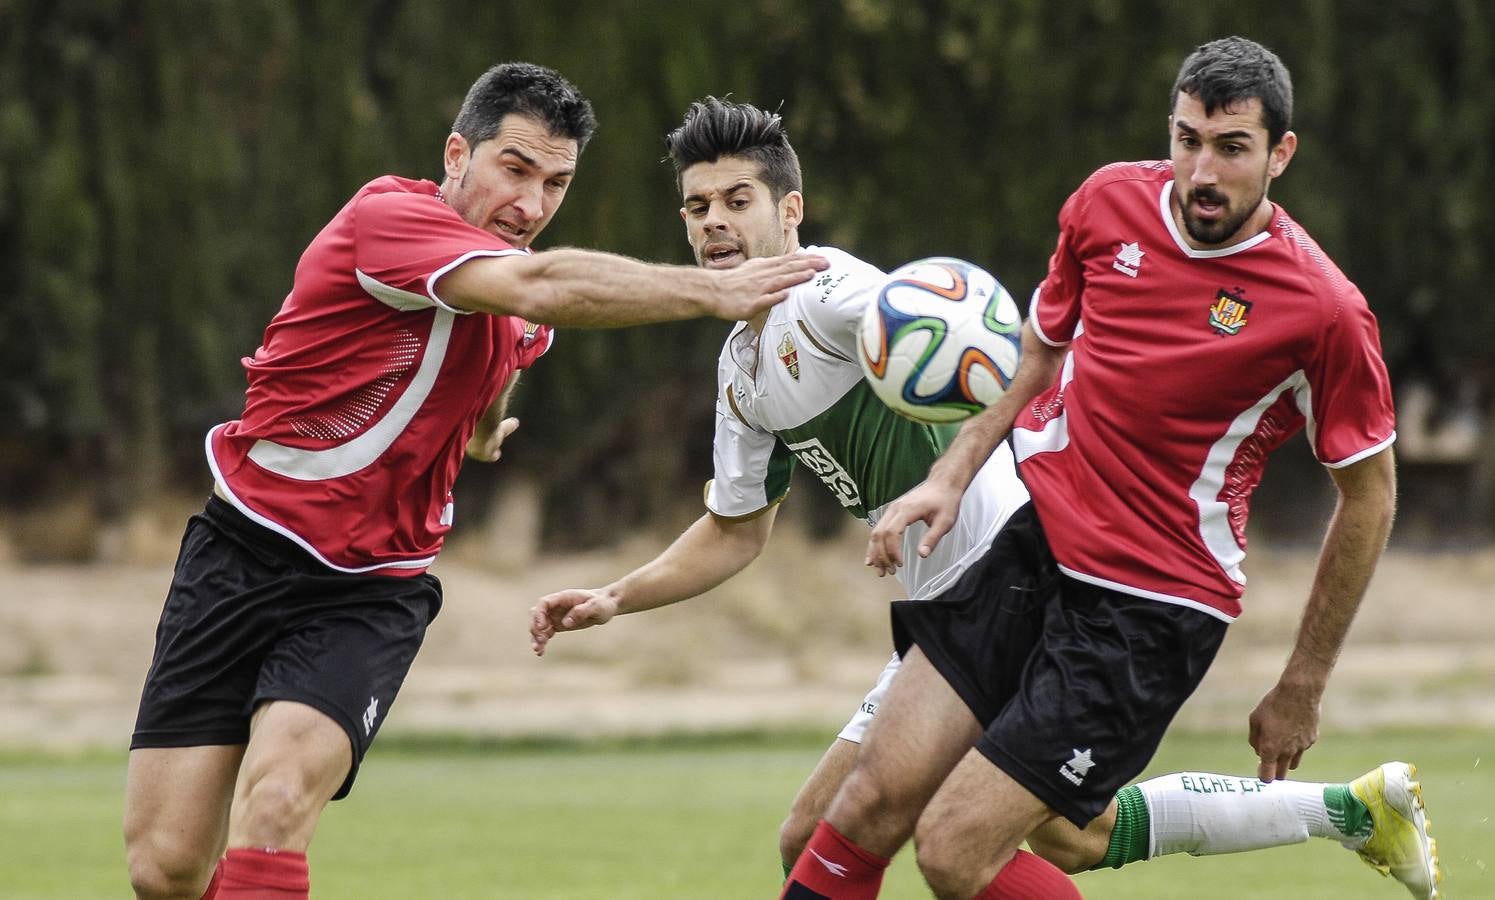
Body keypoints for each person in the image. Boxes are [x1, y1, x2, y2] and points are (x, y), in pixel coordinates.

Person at [527, 97, 1439, 899]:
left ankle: (1344, 815)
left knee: (910, 840)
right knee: (1051, 836)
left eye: (738, 201)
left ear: (789, 211)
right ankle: (1346, 814)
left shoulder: (835, 292)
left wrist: (959, 429)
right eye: (697, 207)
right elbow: (734, 531)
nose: (715, 224)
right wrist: (618, 595)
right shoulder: (741, 369)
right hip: (946, 594)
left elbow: (930, 314)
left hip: (1016, 561)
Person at [121, 63, 827, 900]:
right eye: (515, 170)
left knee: (275, 802)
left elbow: (508, 348)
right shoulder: (390, 219)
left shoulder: (511, 294)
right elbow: (537, 288)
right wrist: (715, 292)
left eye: (556, 183)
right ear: (458, 153)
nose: (531, 205)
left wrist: (484, 430)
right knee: (166, 869)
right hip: (238, 552)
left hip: (369, 592)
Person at [780, 35, 1440, 900]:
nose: (1201, 172)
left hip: (1146, 611)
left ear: (1280, 154)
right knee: (864, 805)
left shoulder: (1324, 311)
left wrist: (1302, 681)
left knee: (953, 851)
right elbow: (1036, 355)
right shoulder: (1104, 205)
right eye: (1186, 139)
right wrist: (947, 477)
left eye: (1231, 148)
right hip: (1031, 552)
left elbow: (1369, 498)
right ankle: (1345, 814)